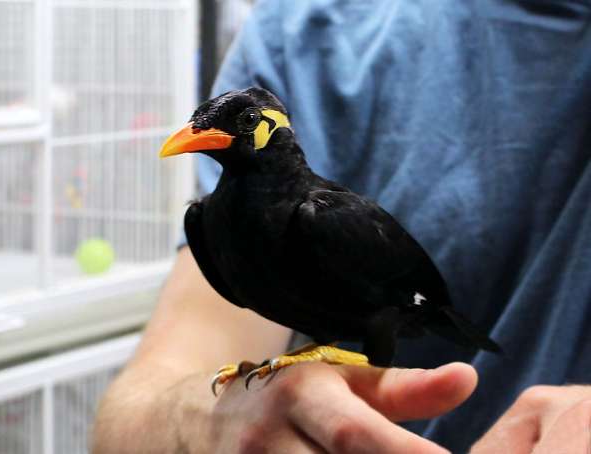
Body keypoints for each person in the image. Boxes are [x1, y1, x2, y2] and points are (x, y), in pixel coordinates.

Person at [92, 1, 591, 452]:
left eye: (239, 125)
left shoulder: (323, 215)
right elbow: (143, 403)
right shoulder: (302, 30)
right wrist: (204, 422)